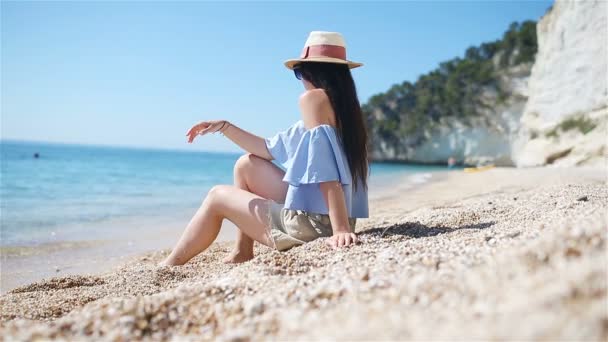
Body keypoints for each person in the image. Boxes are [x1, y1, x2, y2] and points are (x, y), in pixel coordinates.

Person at [160, 31, 369, 266]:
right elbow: (266, 149)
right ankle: (243, 251)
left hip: (316, 226)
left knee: (217, 196)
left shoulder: (313, 100)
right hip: (329, 218)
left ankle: (169, 265)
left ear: (314, 73)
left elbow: (324, 168)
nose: (300, 79)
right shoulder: (347, 111)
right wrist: (224, 127)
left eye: (299, 72)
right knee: (246, 165)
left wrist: (339, 229)